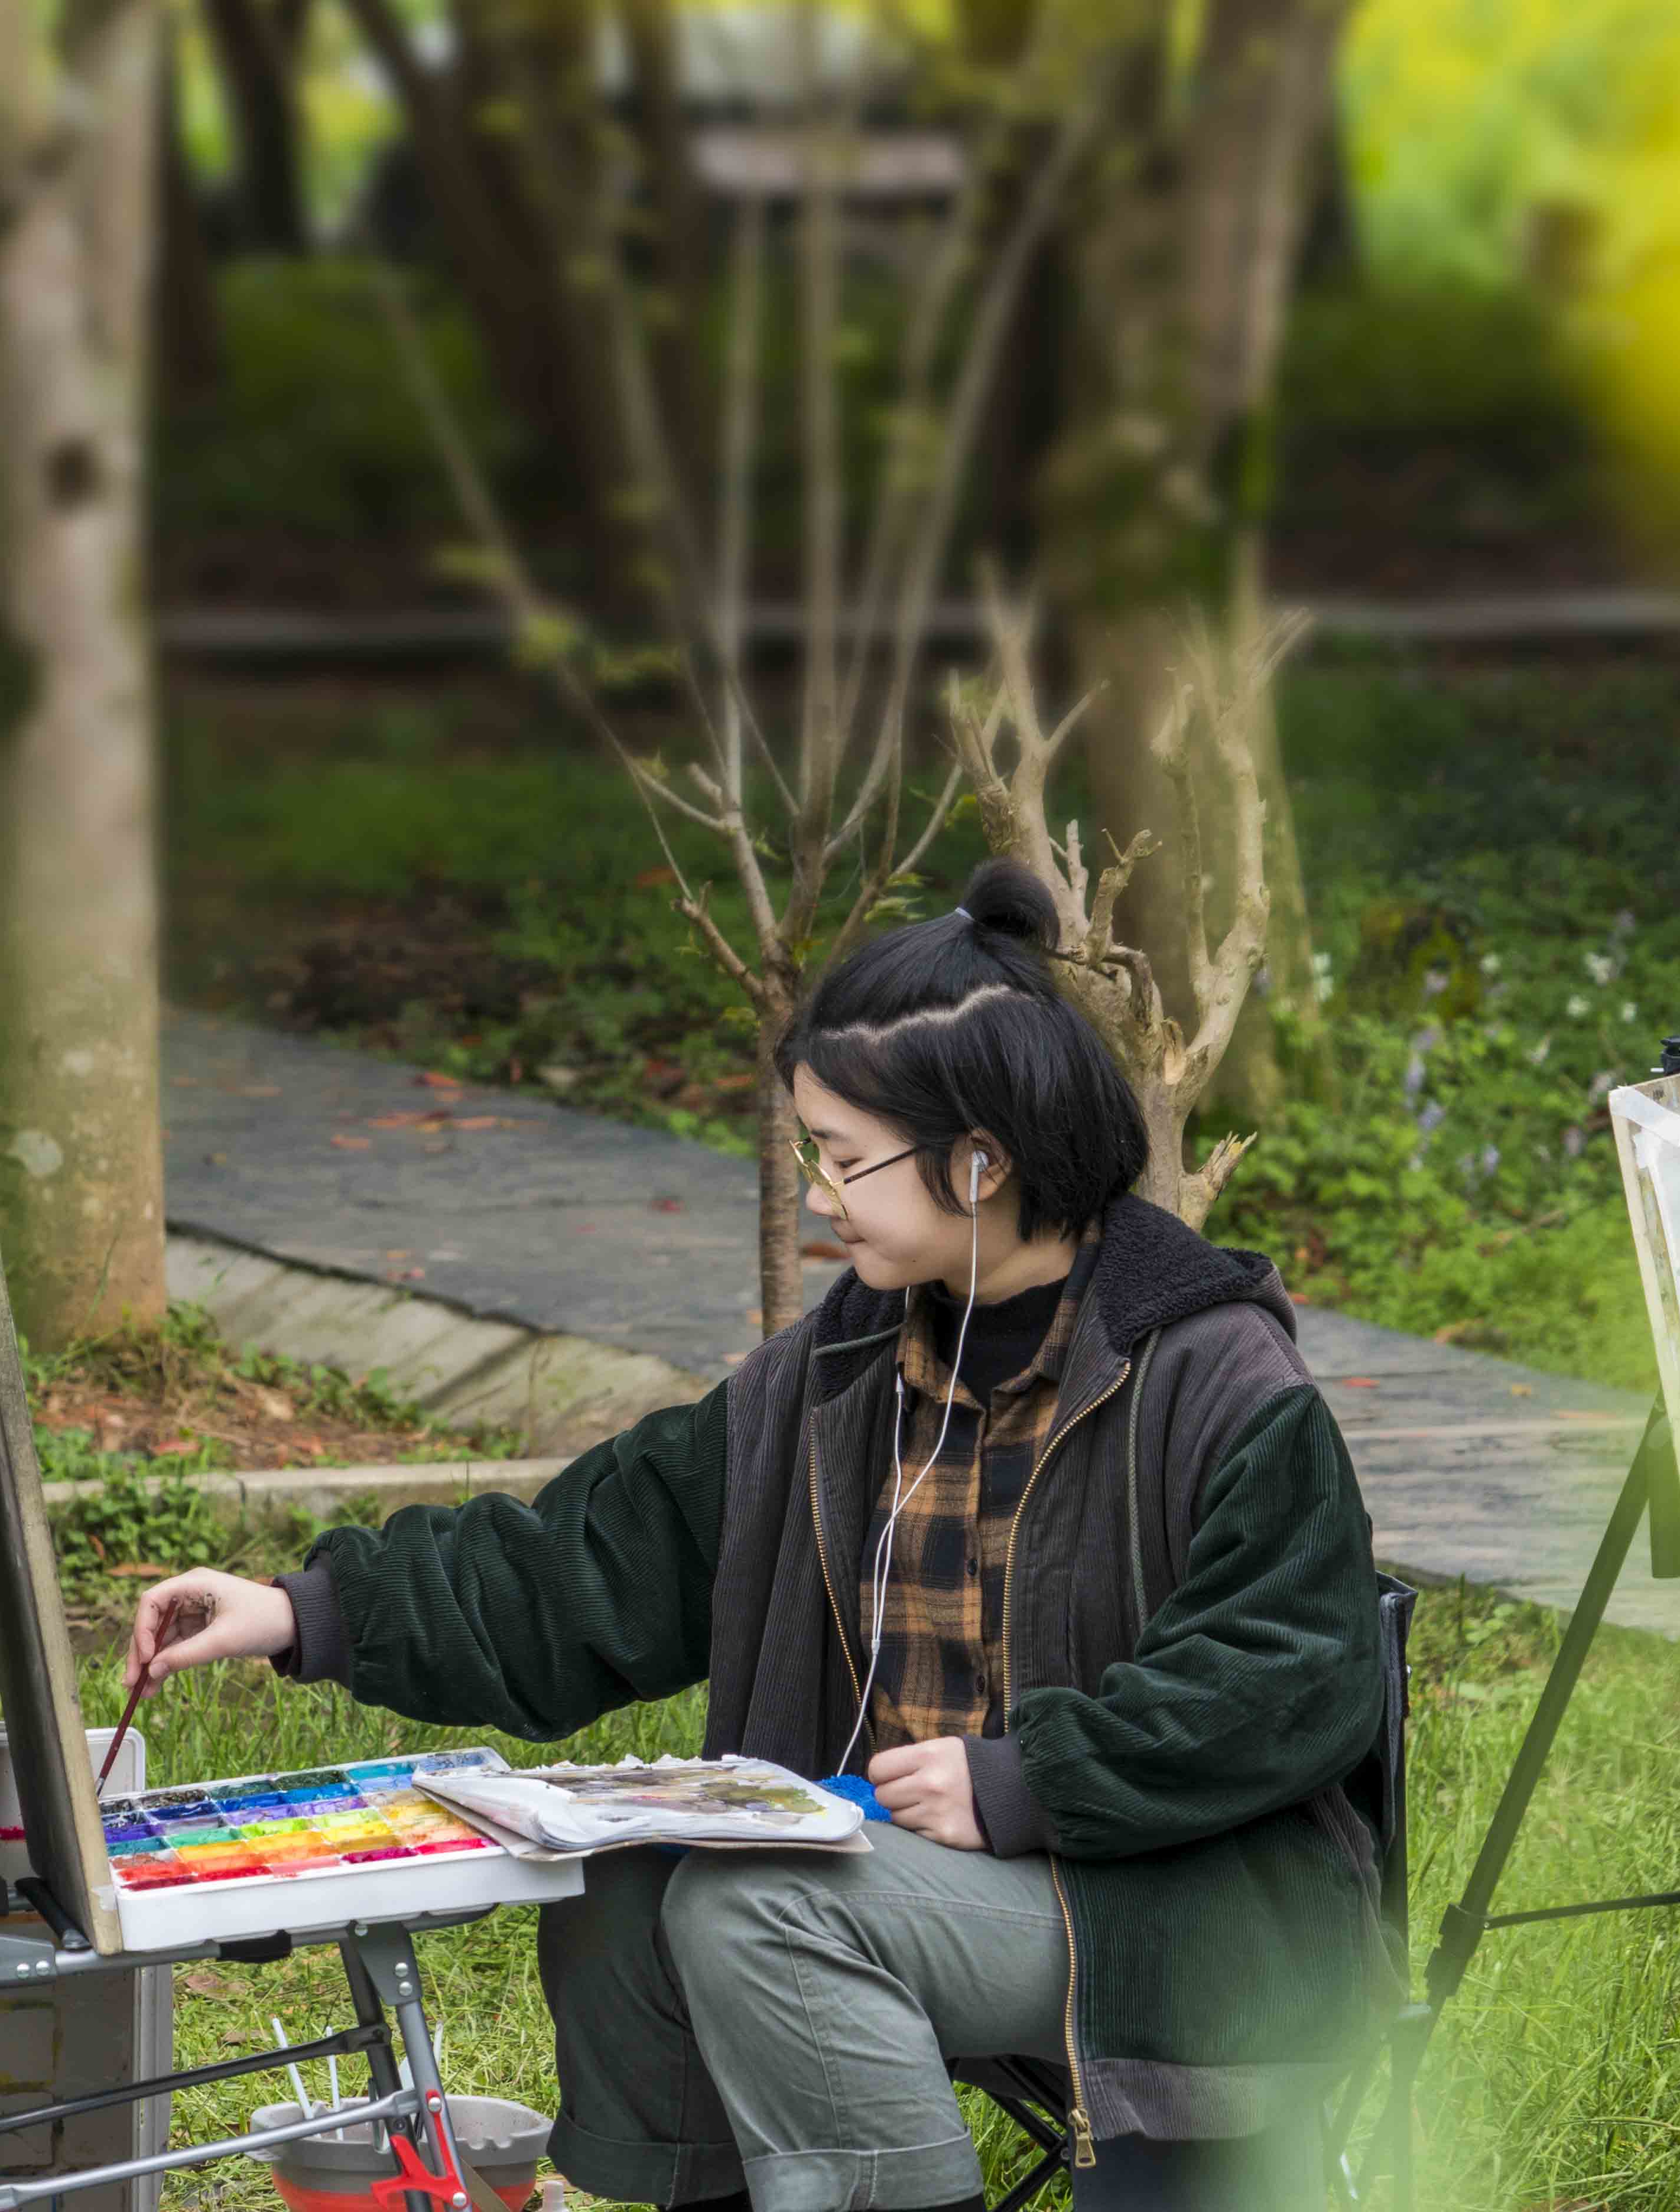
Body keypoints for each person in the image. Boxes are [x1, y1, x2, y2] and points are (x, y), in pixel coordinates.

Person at [126, 860, 1388, 2212]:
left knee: (756, 1910)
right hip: (902, 1882)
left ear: (980, 1162)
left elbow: (1292, 1674)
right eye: (810, 1154)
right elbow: (585, 1565)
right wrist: (304, 1610)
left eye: (844, 1158)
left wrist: (1029, 1780)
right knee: (622, 1897)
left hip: (1161, 1910)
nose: (820, 1192)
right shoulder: (834, 1373)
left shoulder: (1212, 1373)